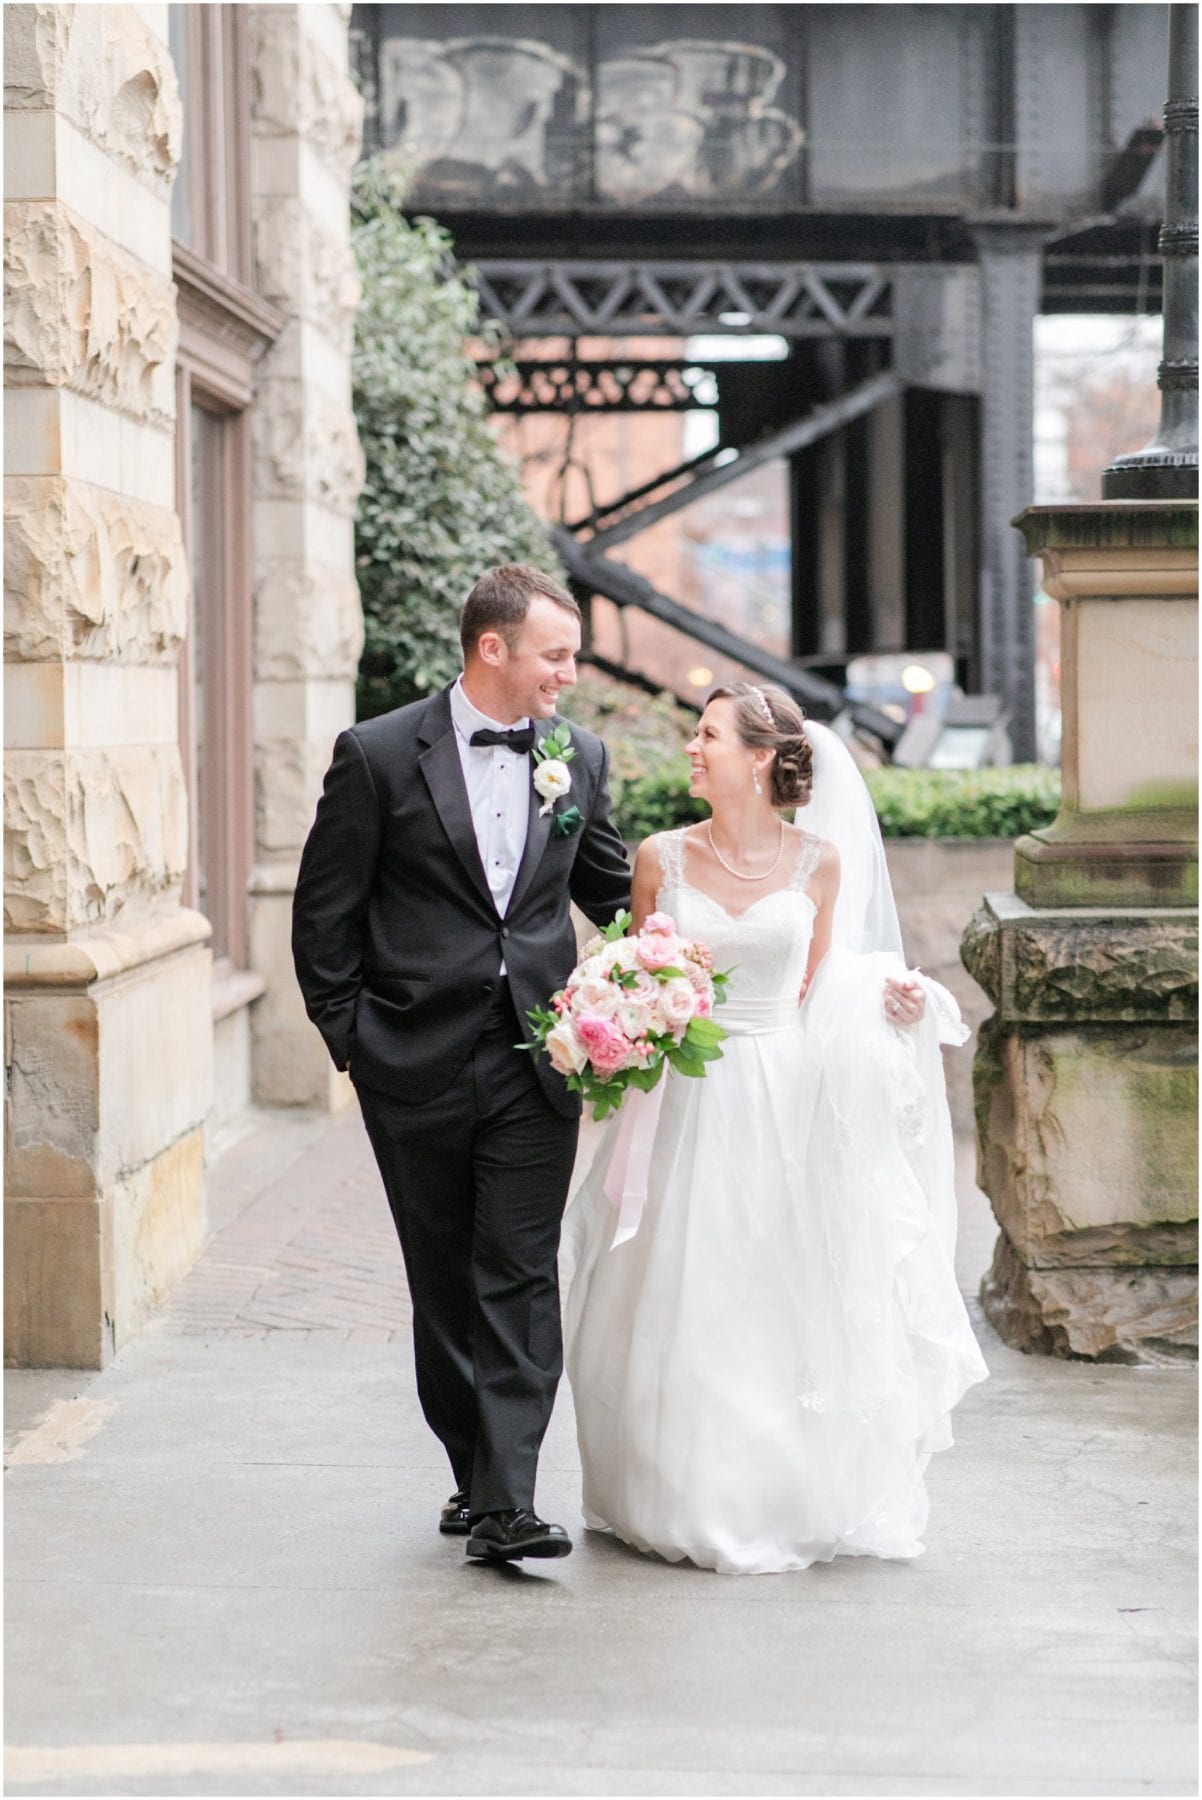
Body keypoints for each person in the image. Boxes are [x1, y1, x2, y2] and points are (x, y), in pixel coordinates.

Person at [562, 682, 989, 1576]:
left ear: (759, 758)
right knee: (690, 1282)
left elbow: (826, 982)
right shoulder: (659, 859)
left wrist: (890, 996)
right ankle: (678, 1486)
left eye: (707, 734)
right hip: (691, 1096)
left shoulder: (819, 864)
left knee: (779, 1282)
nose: (691, 746)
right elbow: (638, 974)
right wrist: (611, 1015)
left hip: (786, 1094)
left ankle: (787, 1489)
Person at [292, 565, 631, 1564]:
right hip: (411, 1059)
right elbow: (324, 917)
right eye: (554, 654)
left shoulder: (579, 757)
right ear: (493, 648)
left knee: (520, 1272)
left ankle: (509, 1500)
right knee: (443, 1279)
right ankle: (472, 1474)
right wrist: (353, 1039)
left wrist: (713, 939)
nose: (568, 673)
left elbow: (618, 894)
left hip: (540, 1058)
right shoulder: (379, 753)